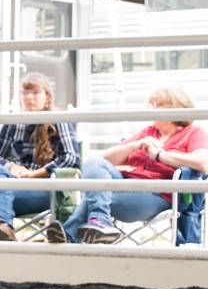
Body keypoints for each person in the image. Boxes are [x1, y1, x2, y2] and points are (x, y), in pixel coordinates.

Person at [47, 87, 208, 244]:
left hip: (157, 193)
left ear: (175, 108)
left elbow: (203, 163)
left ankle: (71, 233)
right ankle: (99, 220)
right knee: (94, 163)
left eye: (157, 105)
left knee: (98, 196)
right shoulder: (149, 132)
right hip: (127, 181)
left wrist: (160, 156)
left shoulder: (193, 132)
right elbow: (106, 160)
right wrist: (135, 145)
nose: (150, 109)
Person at [0, 72, 80, 241]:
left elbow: (72, 158)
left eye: (35, 93)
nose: (29, 98)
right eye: (25, 93)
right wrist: (12, 167)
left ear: (47, 97)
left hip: (46, 189)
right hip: (14, 186)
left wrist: (35, 174)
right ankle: (2, 227)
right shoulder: (13, 122)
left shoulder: (59, 119)